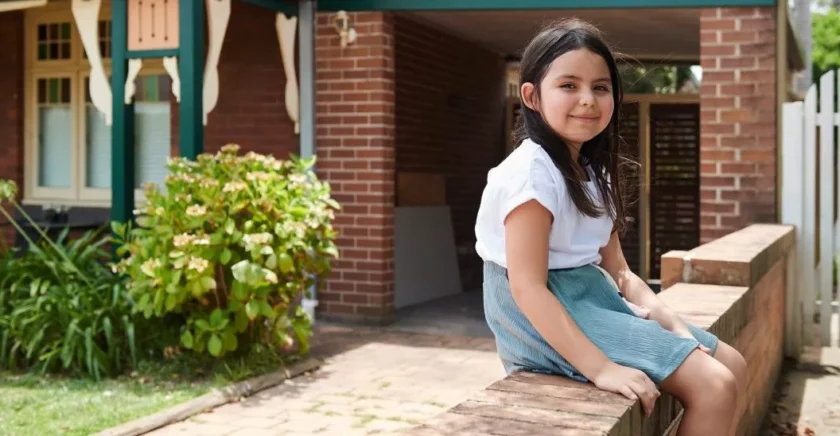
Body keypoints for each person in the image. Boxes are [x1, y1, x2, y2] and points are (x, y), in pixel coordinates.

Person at [474, 19, 748, 436]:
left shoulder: (590, 172)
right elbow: (526, 287)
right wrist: (601, 368)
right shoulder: (531, 174)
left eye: (600, 87)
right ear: (531, 95)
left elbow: (619, 270)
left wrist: (669, 322)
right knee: (714, 385)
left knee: (733, 364)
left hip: (593, 299)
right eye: (569, 85)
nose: (587, 100)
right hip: (540, 310)